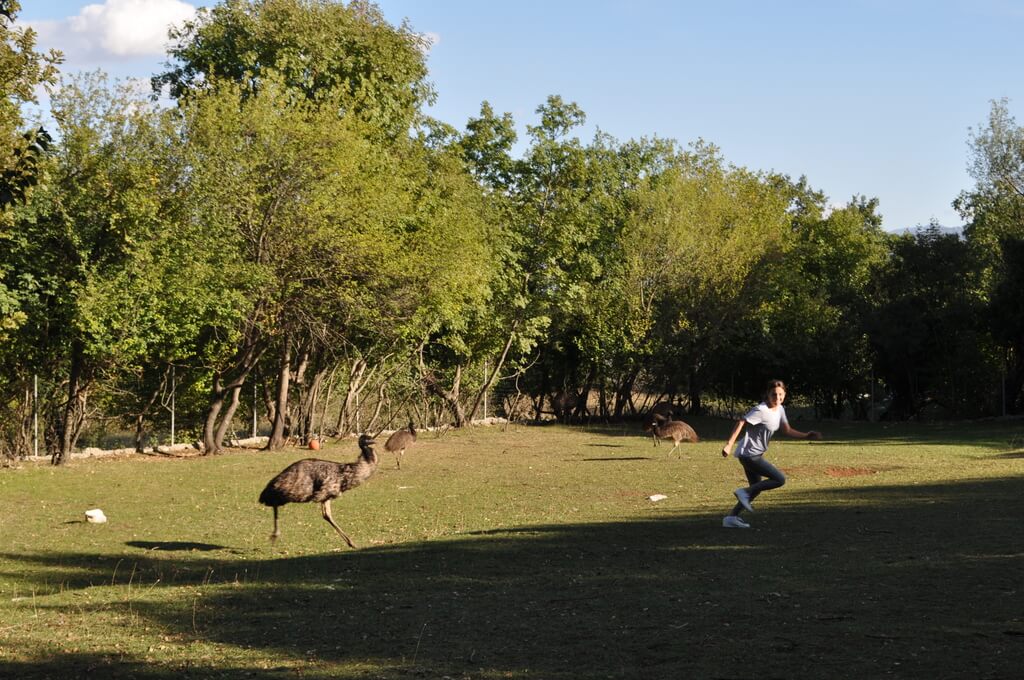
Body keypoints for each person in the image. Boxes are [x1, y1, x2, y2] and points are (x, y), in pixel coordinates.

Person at [720, 379, 821, 528]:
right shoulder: (761, 410)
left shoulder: (780, 409)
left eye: (781, 394)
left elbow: (787, 430)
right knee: (779, 479)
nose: (778, 398)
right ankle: (743, 492)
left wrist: (806, 435)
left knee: (756, 487)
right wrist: (729, 444)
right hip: (749, 454)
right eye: (774, 394)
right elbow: (741, 422)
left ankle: (731, 518)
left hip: (754, 454)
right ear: (767, 394)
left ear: (785, 394)